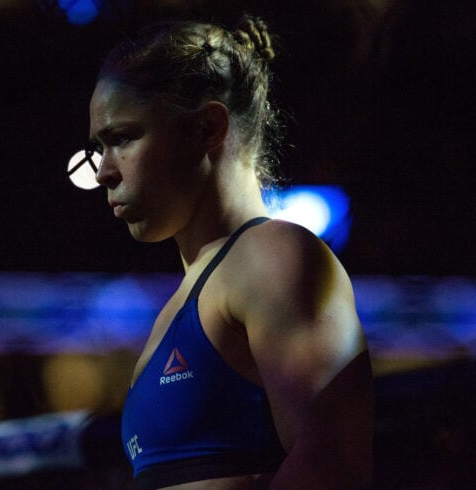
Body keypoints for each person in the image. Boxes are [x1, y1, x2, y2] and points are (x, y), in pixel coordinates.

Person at [86, 15, 373, 490]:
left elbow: (332, 463)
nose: (103, 172)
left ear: (207, 128)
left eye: (122, 138)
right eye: (99, 147)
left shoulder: (271, 256)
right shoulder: (186, 298)